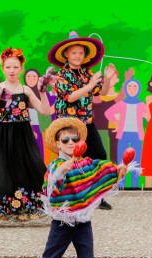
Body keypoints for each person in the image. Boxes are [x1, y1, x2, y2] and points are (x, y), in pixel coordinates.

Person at [14, 119, 128, 258]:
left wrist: (120, 170)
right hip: (62, 224)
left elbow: (106, 173)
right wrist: (62, 171)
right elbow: (51, 186)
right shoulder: (55, 166)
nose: (70, 141)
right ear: (57, 144)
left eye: (74, 138)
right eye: (65, 139)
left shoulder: (87, 164)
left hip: (83, 224)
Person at [0, 47, 50, 228]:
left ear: (22, 69)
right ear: (2, 69)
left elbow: (44, 111)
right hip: (2, 135)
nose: (12, 71)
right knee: (0, 171)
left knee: (33, 167)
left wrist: (43, 92)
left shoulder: (26, 90)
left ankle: (34, 210)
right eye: (8, 67)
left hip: (23, 135)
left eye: (16, 67)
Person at [49, 31, 117, 209]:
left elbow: (101, 93)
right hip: (68, 126)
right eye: (74, 53)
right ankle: (65, 198)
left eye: (81, 53)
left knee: (99, 156)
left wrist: (108, 79)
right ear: (66, 54)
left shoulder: (87, 73)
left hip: (86, 123)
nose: (78, 56)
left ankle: (97, 196)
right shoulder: (62, 75)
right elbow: (70, 97)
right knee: (69, 161)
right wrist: (91, 84)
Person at [104, 78, 149, 188]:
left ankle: (135, 185)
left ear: (139, 89)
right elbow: (108, 113)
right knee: (121, 159)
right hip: (123, 134)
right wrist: (117, 123)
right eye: (129, 87)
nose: (132, 89)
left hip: (137, 135)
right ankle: (120, 184)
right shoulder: (122, 104)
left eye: (135, 87)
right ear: (125, 89)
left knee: (136, 159)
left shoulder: (141, 104)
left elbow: (150, 118)